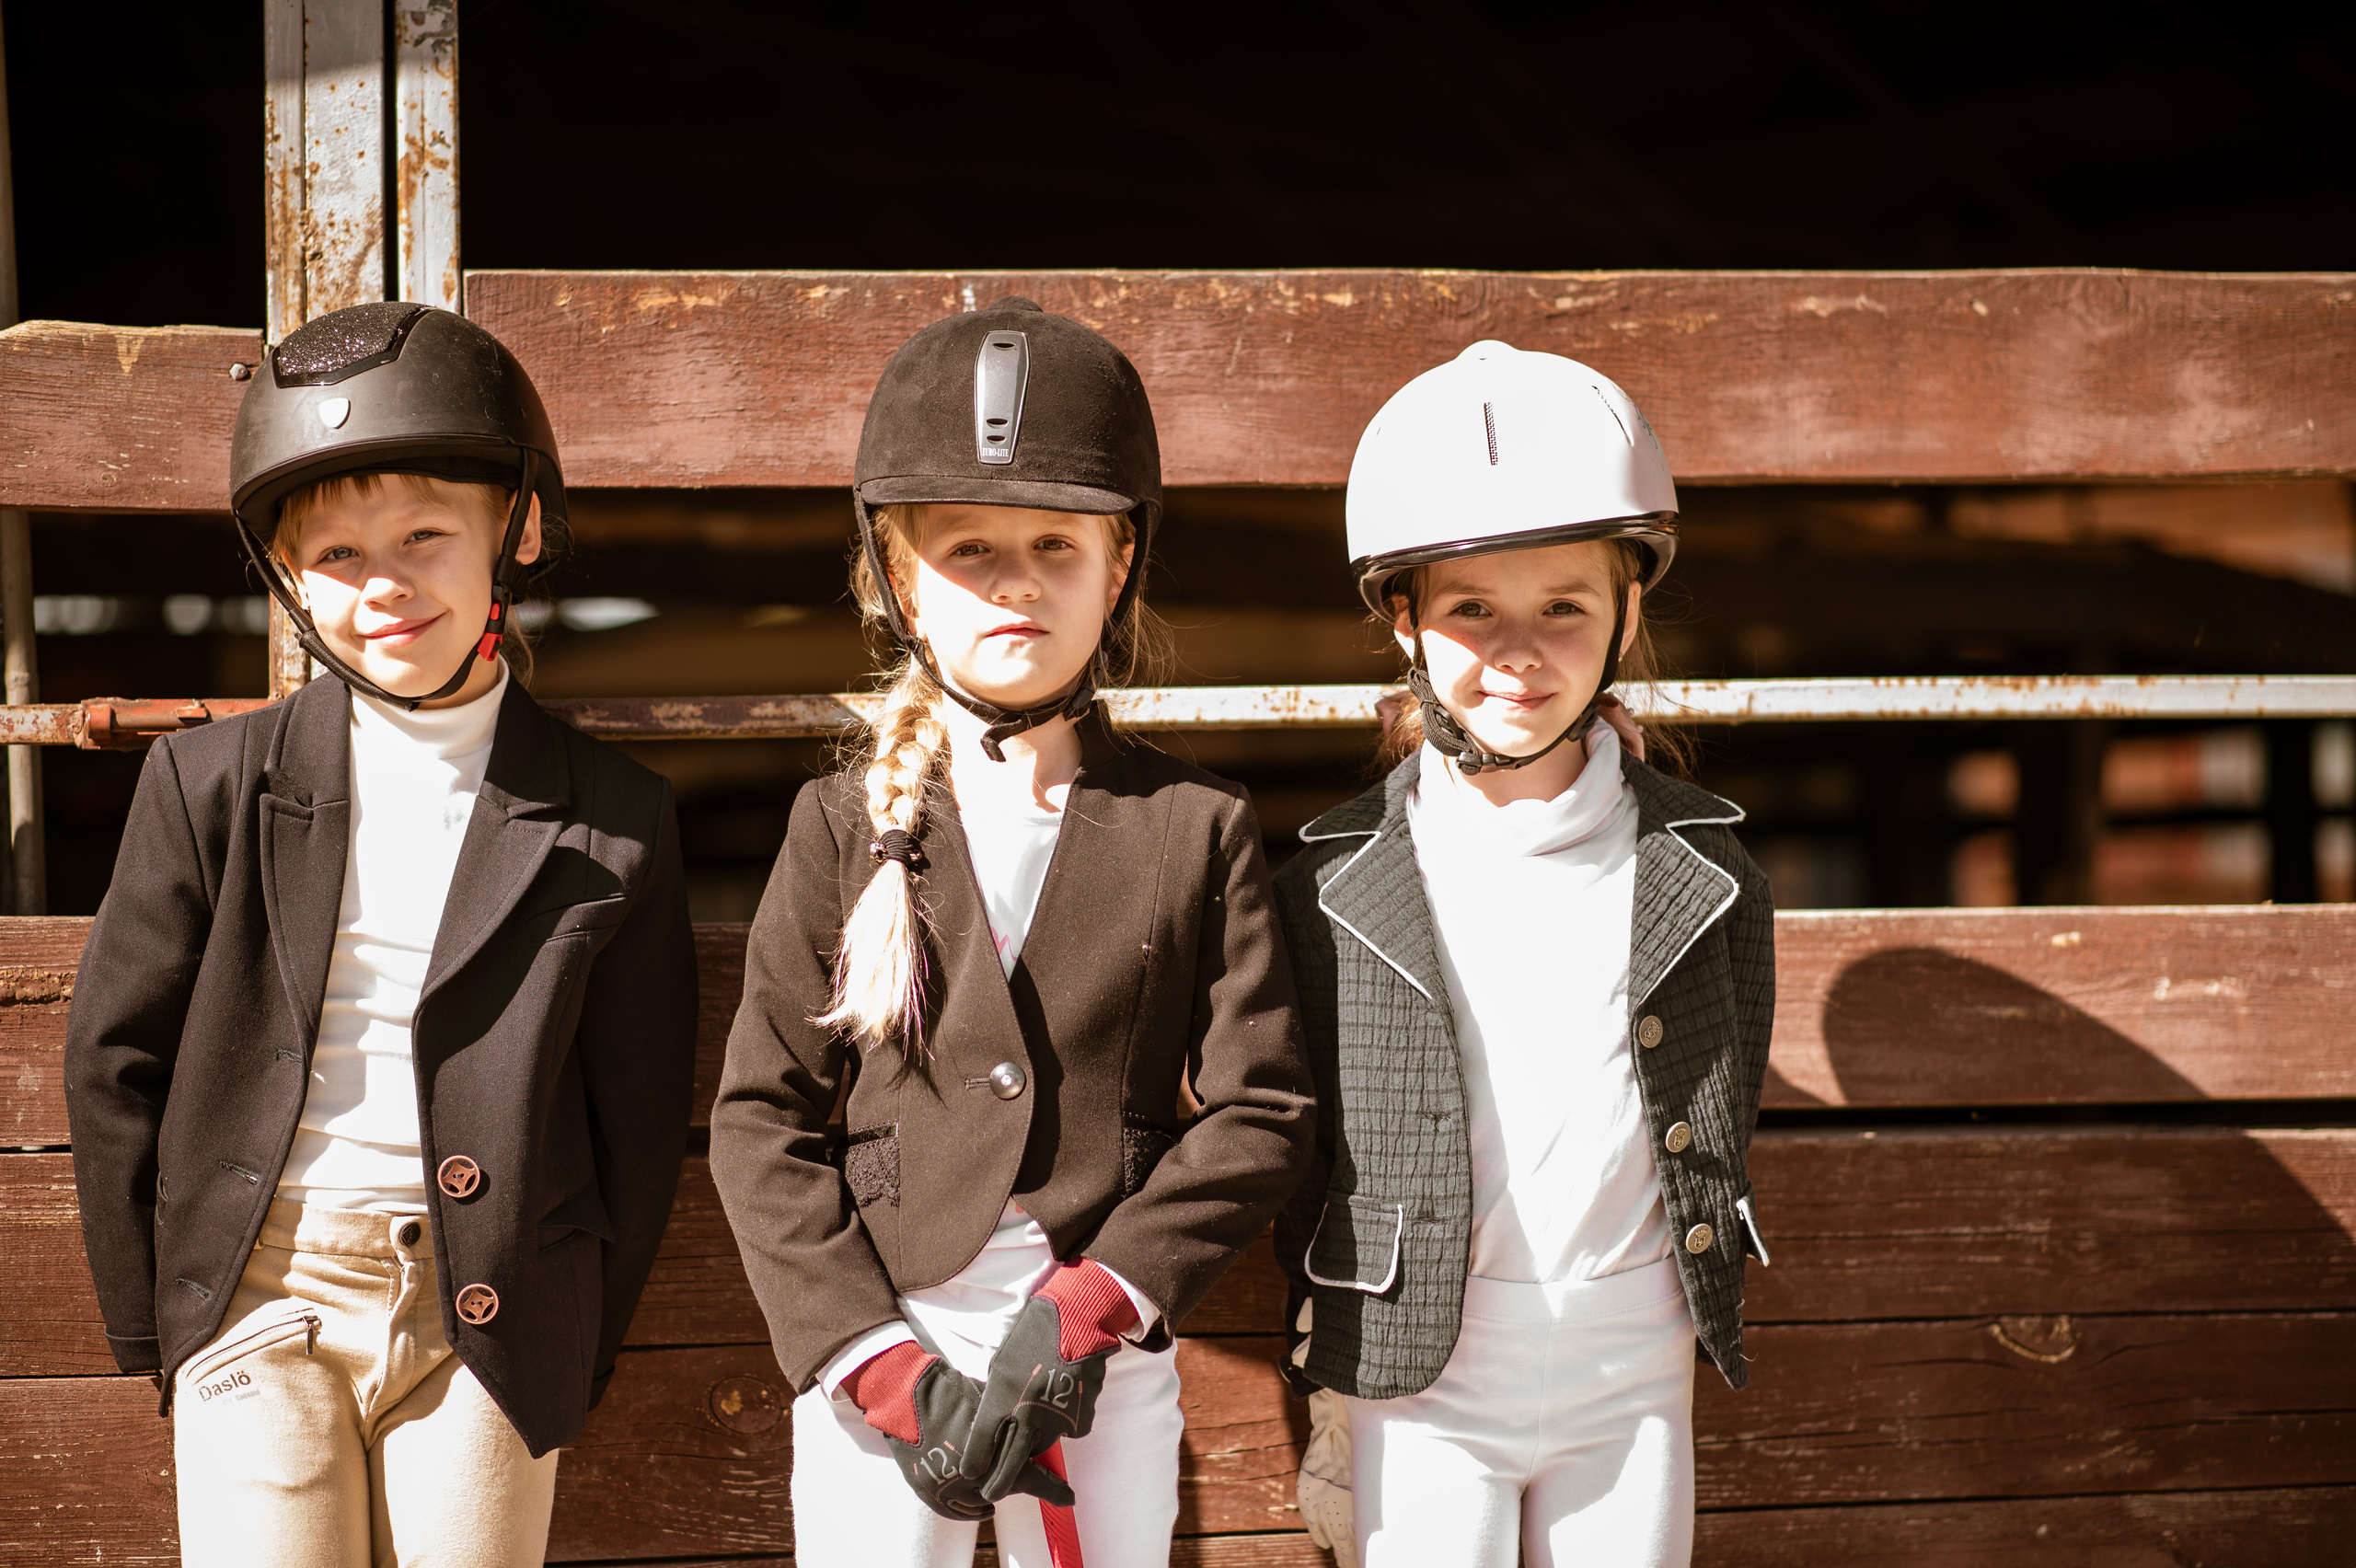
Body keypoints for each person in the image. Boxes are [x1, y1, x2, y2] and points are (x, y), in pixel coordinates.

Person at [64, 302, 699, 1568]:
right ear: (290, 579)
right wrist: (160, 1324)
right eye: (339, 555)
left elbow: (638, 1119)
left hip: (493, 1315)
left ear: (515, 532)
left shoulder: (616, 818)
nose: (384, 585)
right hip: (260, 1291)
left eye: (424, 536)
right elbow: (114, 1058)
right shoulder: (206, 785)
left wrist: (571, 1332)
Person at [710, 297, 1315, 1568]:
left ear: (1120, 568)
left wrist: (1100, 1299)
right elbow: (762, 1120)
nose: (1017, 580)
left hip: (1097, 1353)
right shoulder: (838, 827)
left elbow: (1263, 1109)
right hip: (890, 1346)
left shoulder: (1195, 826)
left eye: (1056, 544)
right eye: (971, 547)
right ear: (901, 580)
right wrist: (878, 1367)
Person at [1274, 341, 1775, 1568]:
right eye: (1471, 610)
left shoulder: (1711, 875)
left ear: (1628, 612)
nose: (1518, 651)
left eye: (1564, 607)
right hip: (1426, 1373)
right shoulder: (1326, 890)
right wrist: (1332, 1370)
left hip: (1634, 1358)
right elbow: (1304, 1142)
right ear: (1403, 618)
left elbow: (1724, 1098)